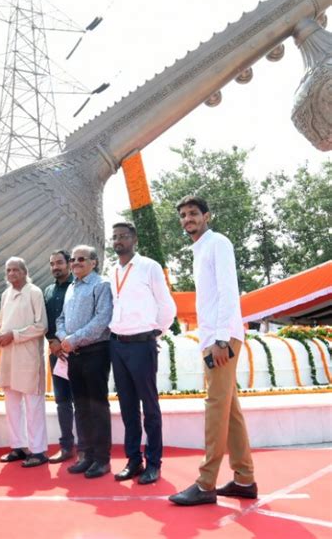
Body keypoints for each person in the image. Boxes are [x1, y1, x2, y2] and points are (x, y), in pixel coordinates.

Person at [170, 196, 257, 506]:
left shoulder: (217, 242)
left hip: (222, 339)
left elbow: (228, 290)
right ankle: (244, 479)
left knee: (215, 408)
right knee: (229, 409)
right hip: (213, 338)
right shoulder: (199, 249)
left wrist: (221, 339)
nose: (187, 219)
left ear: (207, 215)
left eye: (193, 213)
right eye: (183, 215)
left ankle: (206, 483)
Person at [109, 222, 176, 485]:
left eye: (123, 236)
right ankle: (133, 460)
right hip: (117, 345)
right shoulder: (113, 271)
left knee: (149, 407)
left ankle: (154, 463)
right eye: (114, 237)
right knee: (127, 407)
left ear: (134, 239)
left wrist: (153, 333)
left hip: (141, 344)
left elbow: (166, 306)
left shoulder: (149, 267)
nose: (118, 240)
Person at [56, 245, 113, 479]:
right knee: (80, 406)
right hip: (74, 355)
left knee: (97, 407)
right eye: (73, 259)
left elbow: (102, 319)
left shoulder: (101, 285)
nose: (76, 263)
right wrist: (63, 339)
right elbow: (60, 318)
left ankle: (101, 459)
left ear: (94, 262)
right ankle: (85, 455)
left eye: (82, 259)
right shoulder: (71, 287)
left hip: (96, 352)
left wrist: (73, 339)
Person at [0, 257, 49, 467]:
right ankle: (17, 447)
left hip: (28, 357)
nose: (12, 274)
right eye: (8, 270)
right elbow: (0, 324)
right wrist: (1, 334)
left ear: (25, 272)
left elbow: (42, 326)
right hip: (8, 355)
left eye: (16, 270)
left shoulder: (34, 292)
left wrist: (14, 335)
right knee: (11, 404)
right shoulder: (5, 294)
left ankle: (38, 451)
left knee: (33, 405)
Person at [44, 249, 84, 464]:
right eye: (52, 264)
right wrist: (52, 341)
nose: (55, 267)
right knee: (62, 401)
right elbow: (45, 321)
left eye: (59, 262)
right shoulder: (48, 291)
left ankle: (85, 448)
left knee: (81, 400)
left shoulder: (79, 286)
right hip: (56, 354)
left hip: (78, 352)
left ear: (68, 264)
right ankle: (66, 446)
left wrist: (69, 342)